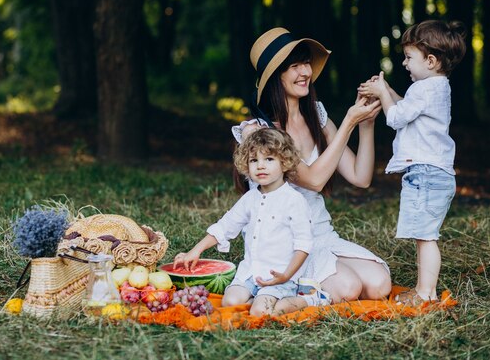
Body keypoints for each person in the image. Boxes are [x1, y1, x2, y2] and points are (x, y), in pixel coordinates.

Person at [232, 27, 392, 311]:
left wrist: (365, 126)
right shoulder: (259, 133)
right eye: (294, 66)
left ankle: (312, 291)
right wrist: (349, 123)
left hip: (319, 234)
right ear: (275, 77)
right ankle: (298, 299)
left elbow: (360, 177)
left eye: (306, 63)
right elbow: (315, 180)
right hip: (283, 244)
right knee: (349, 286)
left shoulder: (316, 116)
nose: (305, 71)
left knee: (380, 285)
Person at [357, 20, 466, 306]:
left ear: (430, 61)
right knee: (424, 235)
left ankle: (425, 293)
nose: (404, 64)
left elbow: (395, 118)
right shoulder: (435, 87)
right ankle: (423, 289)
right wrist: (388, 90)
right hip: (434, 171)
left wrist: (382, 94)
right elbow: (405, 108)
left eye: (408, 57)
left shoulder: (425, 88)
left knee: (425, 237)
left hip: (426, 173)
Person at [173, 128, 329, 316]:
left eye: (269, 159)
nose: (260, 166)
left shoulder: (294, 201)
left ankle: (310, 299)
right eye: (254, 160)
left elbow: (303, 245)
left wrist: (286, 276)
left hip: (280, 276)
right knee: (229, 302)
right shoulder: (250, 198)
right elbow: (226, 226)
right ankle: (258, 299)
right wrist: (195, 250)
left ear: (285, 162)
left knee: (263, 312)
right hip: (250, 272)